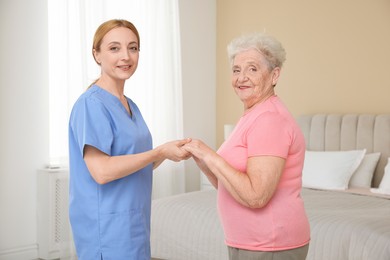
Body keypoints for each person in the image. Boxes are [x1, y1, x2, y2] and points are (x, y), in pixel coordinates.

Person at [68, 19, 190, 259]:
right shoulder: (90, 105)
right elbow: (102, 171)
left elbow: (137, 162)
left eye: (132, 48)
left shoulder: (130, 105)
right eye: (114, 48)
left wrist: (167, 153)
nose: (126, 56)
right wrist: (159, 152)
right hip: (107, 230)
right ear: (97, 54)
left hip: (134, 224)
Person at [183, 33, 310, 260]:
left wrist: (209, 154)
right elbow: (228, 184)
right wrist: (200, 157)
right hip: (250, 241)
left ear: (274, 75)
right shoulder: (253, 114)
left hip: (270, 243)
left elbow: (256, 197)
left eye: (252, 69)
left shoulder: (270, 119)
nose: (242, 78)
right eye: (236, 70)